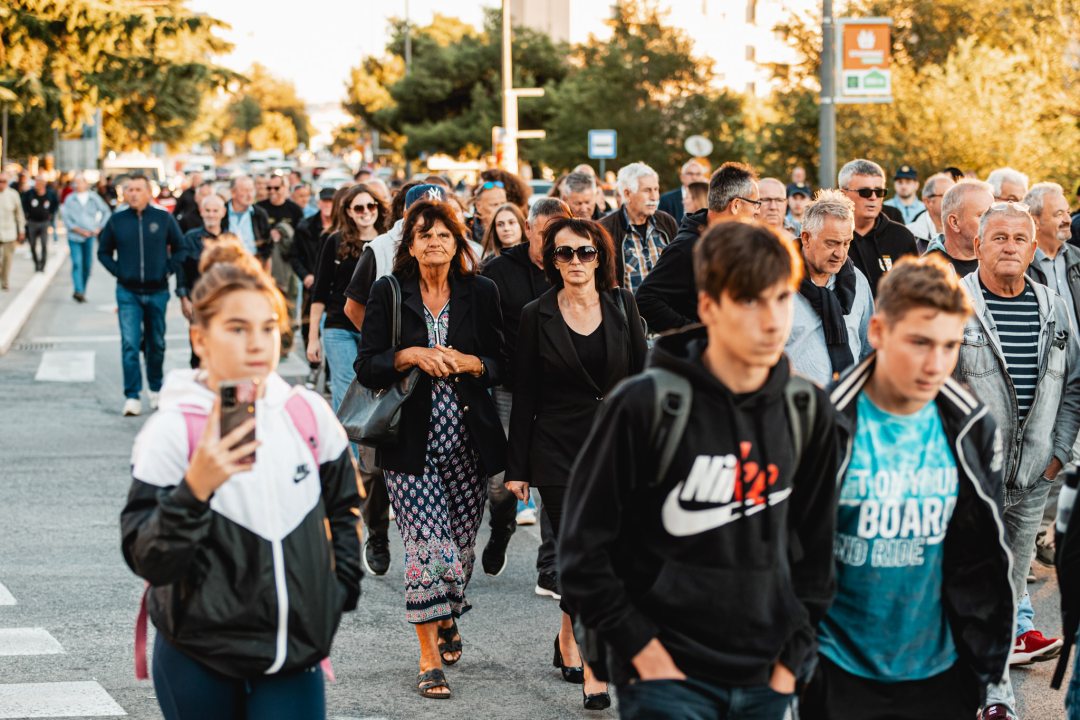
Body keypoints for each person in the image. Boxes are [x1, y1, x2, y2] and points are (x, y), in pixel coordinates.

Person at [560, 221, 840, 720]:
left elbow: (817, 554)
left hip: (768, 679)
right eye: (749, 301)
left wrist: (789, 664)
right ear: (709, 307)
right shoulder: (644, 405)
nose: (772, 320)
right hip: (668, 681)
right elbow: (584, 554)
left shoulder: (806, 411)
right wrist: (644, 654)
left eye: (780, 299)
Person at [120, 241, 360, 720]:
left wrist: (337, 594)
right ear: (200, 340)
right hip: (198, 655)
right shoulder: (173, 429)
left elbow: (345, 507)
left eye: (268, 327)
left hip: (294, 652)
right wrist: (196, 487)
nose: (256, 343)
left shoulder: (306, 413)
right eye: (236, 329)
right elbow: (147, 556)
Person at [801, 255, 1013, 720]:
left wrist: (980, 667)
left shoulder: (971, 426)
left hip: (941, 676)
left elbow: (980, 554)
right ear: (877, 332)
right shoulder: (822, 424)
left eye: (949, 345)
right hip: (835, 674)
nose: (935, 364)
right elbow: (789, 554)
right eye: (919, 342)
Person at [354, 199, 506, 700]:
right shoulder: (389, 291)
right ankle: (427, 657)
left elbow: (501, 362)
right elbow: (368, 365)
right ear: (411, 246)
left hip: (468, 443)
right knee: (427, 546)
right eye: (424, 235)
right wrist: (409, 354)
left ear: (458, 242)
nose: (435, 241)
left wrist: (470, 363)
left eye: (444, 233)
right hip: (409, 443)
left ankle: (447, 615)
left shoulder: (481, 292)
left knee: (458, 553)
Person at [506, 215, 648, 710]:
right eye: (564, 253)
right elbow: (525, 395)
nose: (574, 262)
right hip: (558, 453)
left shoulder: (623, 304)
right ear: (552, 260)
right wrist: (517, 468)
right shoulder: (535, 314)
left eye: (584, 252)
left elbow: (642, 383)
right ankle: (596, 666)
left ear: (600, 258)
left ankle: (569, 633)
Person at [955, 202, 1080, 719]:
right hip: (968, 482)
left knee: (1009, 591)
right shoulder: (955, 302)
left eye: (1019, 239)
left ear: (1034, 248)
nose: (1009, 247)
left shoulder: (1054, 303)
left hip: (1032, 482)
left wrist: (1056, 458)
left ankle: (996, 696)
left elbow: (1073, 384)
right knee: (963, 589)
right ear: (978, 245)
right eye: (999, 237)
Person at [480, 197, 572, 593]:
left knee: (553, 475)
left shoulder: (572, 266)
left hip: (557, 390)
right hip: (509, 388)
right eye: (546, 233)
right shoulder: (499, 271)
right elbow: (484, 330)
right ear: (529, 228)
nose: (553, 243)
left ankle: (550, 566)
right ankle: (501, 527)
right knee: (501, 481)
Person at [635, 161, 760, 333]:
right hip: (701, 356)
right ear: (736, 205)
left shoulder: (737, 244)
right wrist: (698, 334)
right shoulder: (686, 248)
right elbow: (646, 300)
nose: (758, 211)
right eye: (756, 203)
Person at [98, 176, 184, 417]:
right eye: (129, 190)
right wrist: (120, 272)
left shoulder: (163, 218)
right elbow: (103, 252)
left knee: (156, 343)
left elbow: (180, 248)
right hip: (128, 293)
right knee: (130, 344)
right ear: (124, 193)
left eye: (138, 189)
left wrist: (167, 271)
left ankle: (156, 389)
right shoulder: (116, 221)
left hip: (157, 291)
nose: (133, 193)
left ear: (148, 193)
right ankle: (132, 395)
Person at [306, 184, 386, 413]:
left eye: (371, 205)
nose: (366, 211)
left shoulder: (388, 241)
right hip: (338, 327)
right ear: (349, 212)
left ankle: (366, 449)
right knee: (347, 393)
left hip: (376, 329)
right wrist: (313, 337)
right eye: (358, 208)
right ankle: (348, 449)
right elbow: (320, 290)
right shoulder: (335, 240)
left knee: (375, 393)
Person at [785, 189, 873, 385]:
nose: (840, 254)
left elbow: (868, 348)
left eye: (846, 243)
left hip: (847, 402)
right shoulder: (777, 281)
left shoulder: (858, 281)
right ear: (806, 238)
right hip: (793, 405)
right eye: (832, 243)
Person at [838, 159, 919, 297]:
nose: (873, 197)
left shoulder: (902, 236)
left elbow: (915, 290)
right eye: (865, 192)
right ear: (843, 194)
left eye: (879, 191)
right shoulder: (831, 237)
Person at [598, 162, 678, 291]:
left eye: (656, 189)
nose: (654, 197)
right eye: (647, 190)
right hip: (628, 310)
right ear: (627, 194)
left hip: (667, 308)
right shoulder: (605, 229)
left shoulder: (666, 221)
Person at [292, 187, 337, 387]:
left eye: (331, 202)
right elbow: (294, 256)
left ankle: (329, 374)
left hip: (335, 287)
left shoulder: (341, 227)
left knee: (332, 329)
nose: (328, 205)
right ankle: (313, 369)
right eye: (324, 202)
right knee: (308, 327)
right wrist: (305, 276)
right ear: (318, 204)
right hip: (312, 285)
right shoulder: (305, 227)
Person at [923, 179, 994, 278]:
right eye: (982, 216)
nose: (993, 222)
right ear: (955, 223)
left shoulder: (1002, 262)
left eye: (992, 215)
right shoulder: (926, 274)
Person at [60, 173, 111, 303]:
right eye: (75, 182)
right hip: (75, 236)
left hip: (90, 236)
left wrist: (98, 228)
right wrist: (78, 230)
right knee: (77, 262)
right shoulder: (70, 199)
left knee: (87, 265)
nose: (77, 184)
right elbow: (65, 217)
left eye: (80, 182)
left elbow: (106, 212)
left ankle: (82, 290)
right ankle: (78, 290)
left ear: (85, 183)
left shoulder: (93, 198)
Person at [227, 176, 272, 263]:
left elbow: (268, 243)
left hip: (253, 267)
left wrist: (260, 263)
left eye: (251, 190)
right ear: (233, 192)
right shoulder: (222, 212)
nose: (250, 195)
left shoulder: (260, 213)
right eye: (244, 190)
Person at [908, 173, 955, 252]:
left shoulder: (968, 233)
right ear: (928, 202)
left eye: (957, 195)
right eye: (948, 195)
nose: (956, 200)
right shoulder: (908, 235)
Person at [22, 174, 59, 272]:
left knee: (44, 244)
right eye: (36, 184)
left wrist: (51, 213)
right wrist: (26, 212)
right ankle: (36, 262)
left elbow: (56, 202)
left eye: (39, 184)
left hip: (44, 222)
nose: (36, 186)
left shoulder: (50, 193)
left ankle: (42, 265)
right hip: (32, 222)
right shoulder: (30, 193)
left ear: (43, 184)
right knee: (32, 244)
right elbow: (23, 202)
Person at [657, 160, 707, 225]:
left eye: (698, 174)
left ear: (703, 177)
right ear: (681, 177)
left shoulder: (709, 198)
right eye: (690, 174)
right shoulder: (666, 199)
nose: (694, 177)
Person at [0, 172, 25, 291]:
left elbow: (19, 214)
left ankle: (4, 281)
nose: (1, 184)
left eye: (3, 181)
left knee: (7, 258)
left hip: (9, 232)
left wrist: (21, 230)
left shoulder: (13, 195)